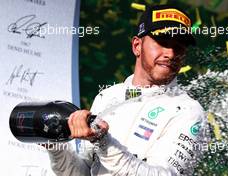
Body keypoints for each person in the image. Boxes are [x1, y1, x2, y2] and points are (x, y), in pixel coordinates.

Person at [46, 4, 209, 176]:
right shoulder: (108, 96)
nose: (171, 53)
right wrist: (54, 145)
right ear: (137, 46)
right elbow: (83, 173)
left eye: (179, 46)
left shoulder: (189, 112)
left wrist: (102, 141)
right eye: (163, 42)